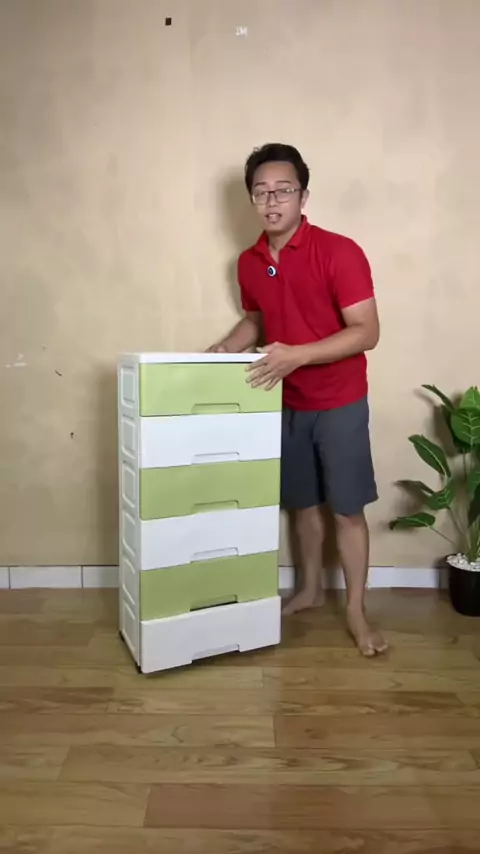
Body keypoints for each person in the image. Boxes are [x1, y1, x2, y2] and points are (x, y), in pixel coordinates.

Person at [208, 143, 386, 657]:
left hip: (340, 400)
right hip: (285, 402)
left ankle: (356, 610)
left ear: (303, 196)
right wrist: (224, 349)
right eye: (261, 192)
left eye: (283, 190)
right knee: (302, 505)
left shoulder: (339, 251)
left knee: (346, 511)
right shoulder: (248, 263)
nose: (271, 201)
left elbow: (367, 331)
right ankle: (310, 589)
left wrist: (298, 355)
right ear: (251, 199)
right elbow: (257, 320)